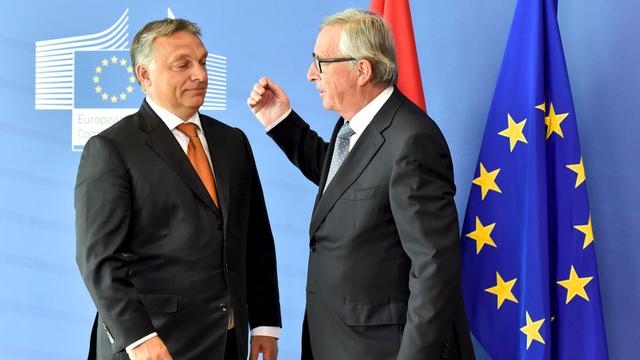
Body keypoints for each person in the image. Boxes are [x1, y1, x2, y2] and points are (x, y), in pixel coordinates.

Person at [248, 9, 473, 360]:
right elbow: (344, 182)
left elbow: (434, 269)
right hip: (335, 342)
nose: (310, 75)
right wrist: (281, 121)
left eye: (320, 63)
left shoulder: (412, 141)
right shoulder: (352, 124)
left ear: (362, 70)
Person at [75, 18, 281, 360]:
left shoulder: (233, 142)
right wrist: (139, 338)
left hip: (227, 343)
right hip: (153, 346)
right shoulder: (112, 148)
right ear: (144, 75)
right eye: (182, 65)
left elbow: (255, 239)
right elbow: (99, 259)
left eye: (202, 62)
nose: (199, 74)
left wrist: (264, 324)